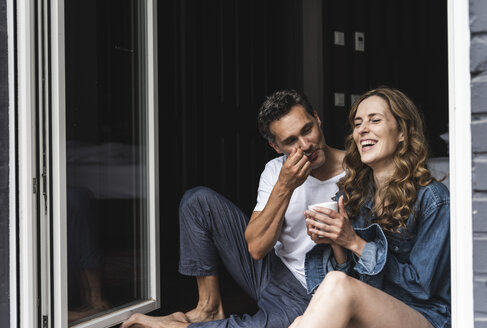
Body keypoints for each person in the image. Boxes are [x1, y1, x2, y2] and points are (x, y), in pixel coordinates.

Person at [121, 89, 346, 328]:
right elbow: (257, 248)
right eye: (291, 141)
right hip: (270, 270)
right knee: (198, 202)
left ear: (317, 118)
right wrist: (285, 186)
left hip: (305, 294)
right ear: (275, 146)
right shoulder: (276, 171)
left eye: (307, 129)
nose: (306, 144)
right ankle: (208, 307)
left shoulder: (356, 171)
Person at [290, 87, 450, 328]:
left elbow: (422, 287)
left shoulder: (432, 199)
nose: (362, 129)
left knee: (334, 285)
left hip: (424, 315)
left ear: (402, 133)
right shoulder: (355, 195)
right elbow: (352, 281)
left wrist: (355, 242)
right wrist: (336, 240)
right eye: (357, 123)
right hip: (373, 311)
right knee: (301, 320)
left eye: (375, 120)